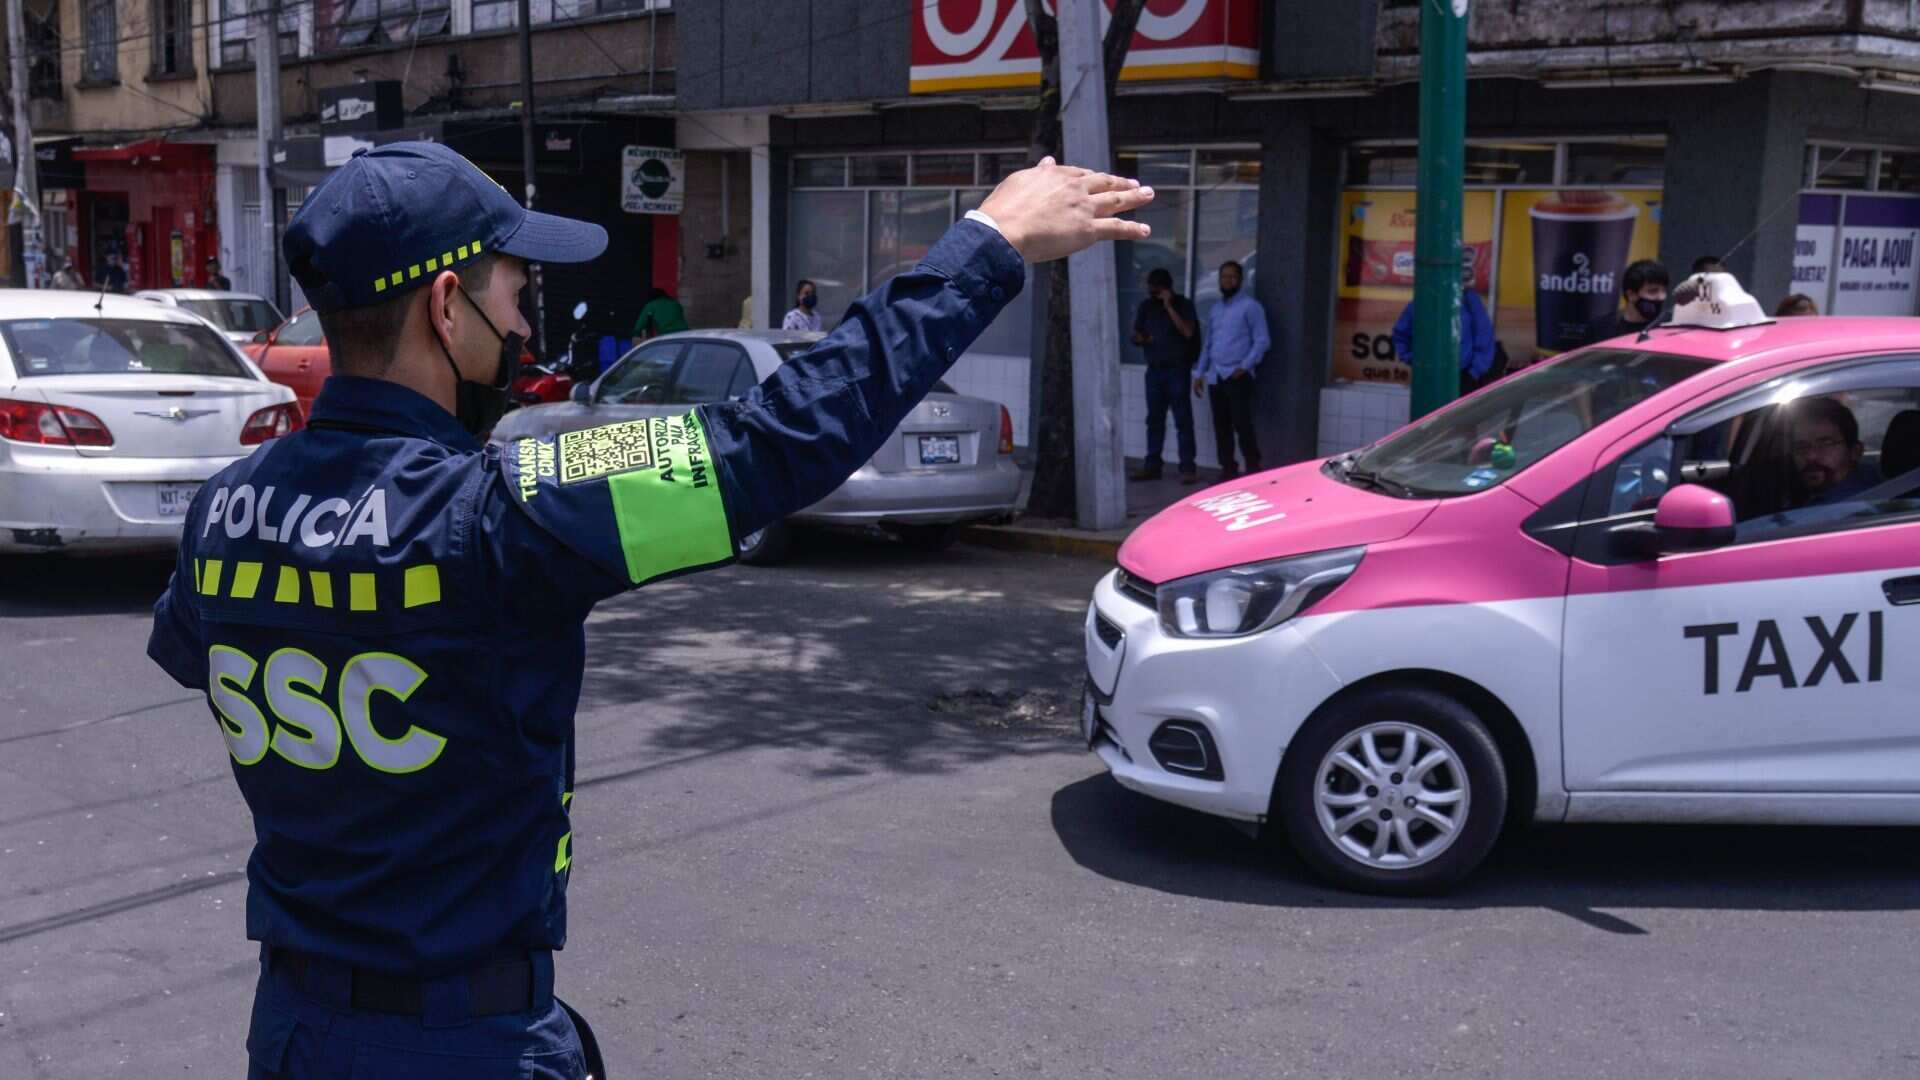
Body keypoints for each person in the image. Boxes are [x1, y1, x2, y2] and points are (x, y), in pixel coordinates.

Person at [145, 142, 1152, 1079]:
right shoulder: (502, 514)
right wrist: (986, 248)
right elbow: (777, 439)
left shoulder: (225, 510)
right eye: (515, 290)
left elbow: (200, 650)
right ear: (447, 306)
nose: (529, 324)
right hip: (464, 1040)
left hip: (294, 1030)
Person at [1191, 260, 1269, 480]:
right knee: (1221, 427)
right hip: (1216, 376)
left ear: (1241, 280)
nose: (1227, 281)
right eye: (1224, 277)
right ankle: (1228, 470)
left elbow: (1262, 341)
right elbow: (1209, 343)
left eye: (1232, 277)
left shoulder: (1251, 307)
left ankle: (1254, 469)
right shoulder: (1216, 309)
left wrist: (1244, 367)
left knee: (1242, 426)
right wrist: (1199, 374)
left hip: (1238, 377)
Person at [1130, 267, 1199, 483]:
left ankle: (1187, 468)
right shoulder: (1146, 307)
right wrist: (1143, 340)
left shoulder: (1183, 305)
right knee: (1154, 420)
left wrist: (1169, 306)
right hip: (1155, 370)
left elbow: (1188, 332)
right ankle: (1152, 465)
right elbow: (1135, 335)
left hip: (1177, 369)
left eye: (1157, 288)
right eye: (1151, 288)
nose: (1154, 292)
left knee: (1182, 420)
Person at [1390, 259, 1495, 396]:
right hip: (1428, 377)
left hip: (1462, 377)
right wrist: (1413, 359)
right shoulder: (1421, 302)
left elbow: (1484, 337)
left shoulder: (1469, 300)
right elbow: (1400, 334)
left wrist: (1473, 372)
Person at [1789, 396, 1876, 507]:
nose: (1811, 456)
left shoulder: (1855, 509)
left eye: (1826, 444)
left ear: (1855, 452)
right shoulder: (1869, 475)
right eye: (1801, 447)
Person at [1583, 258, 1669, 344]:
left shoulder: (1667, 328)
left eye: (1664, 291)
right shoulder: (1600, 328)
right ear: (1631, 295)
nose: (1661, 297)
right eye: (1653, 291)